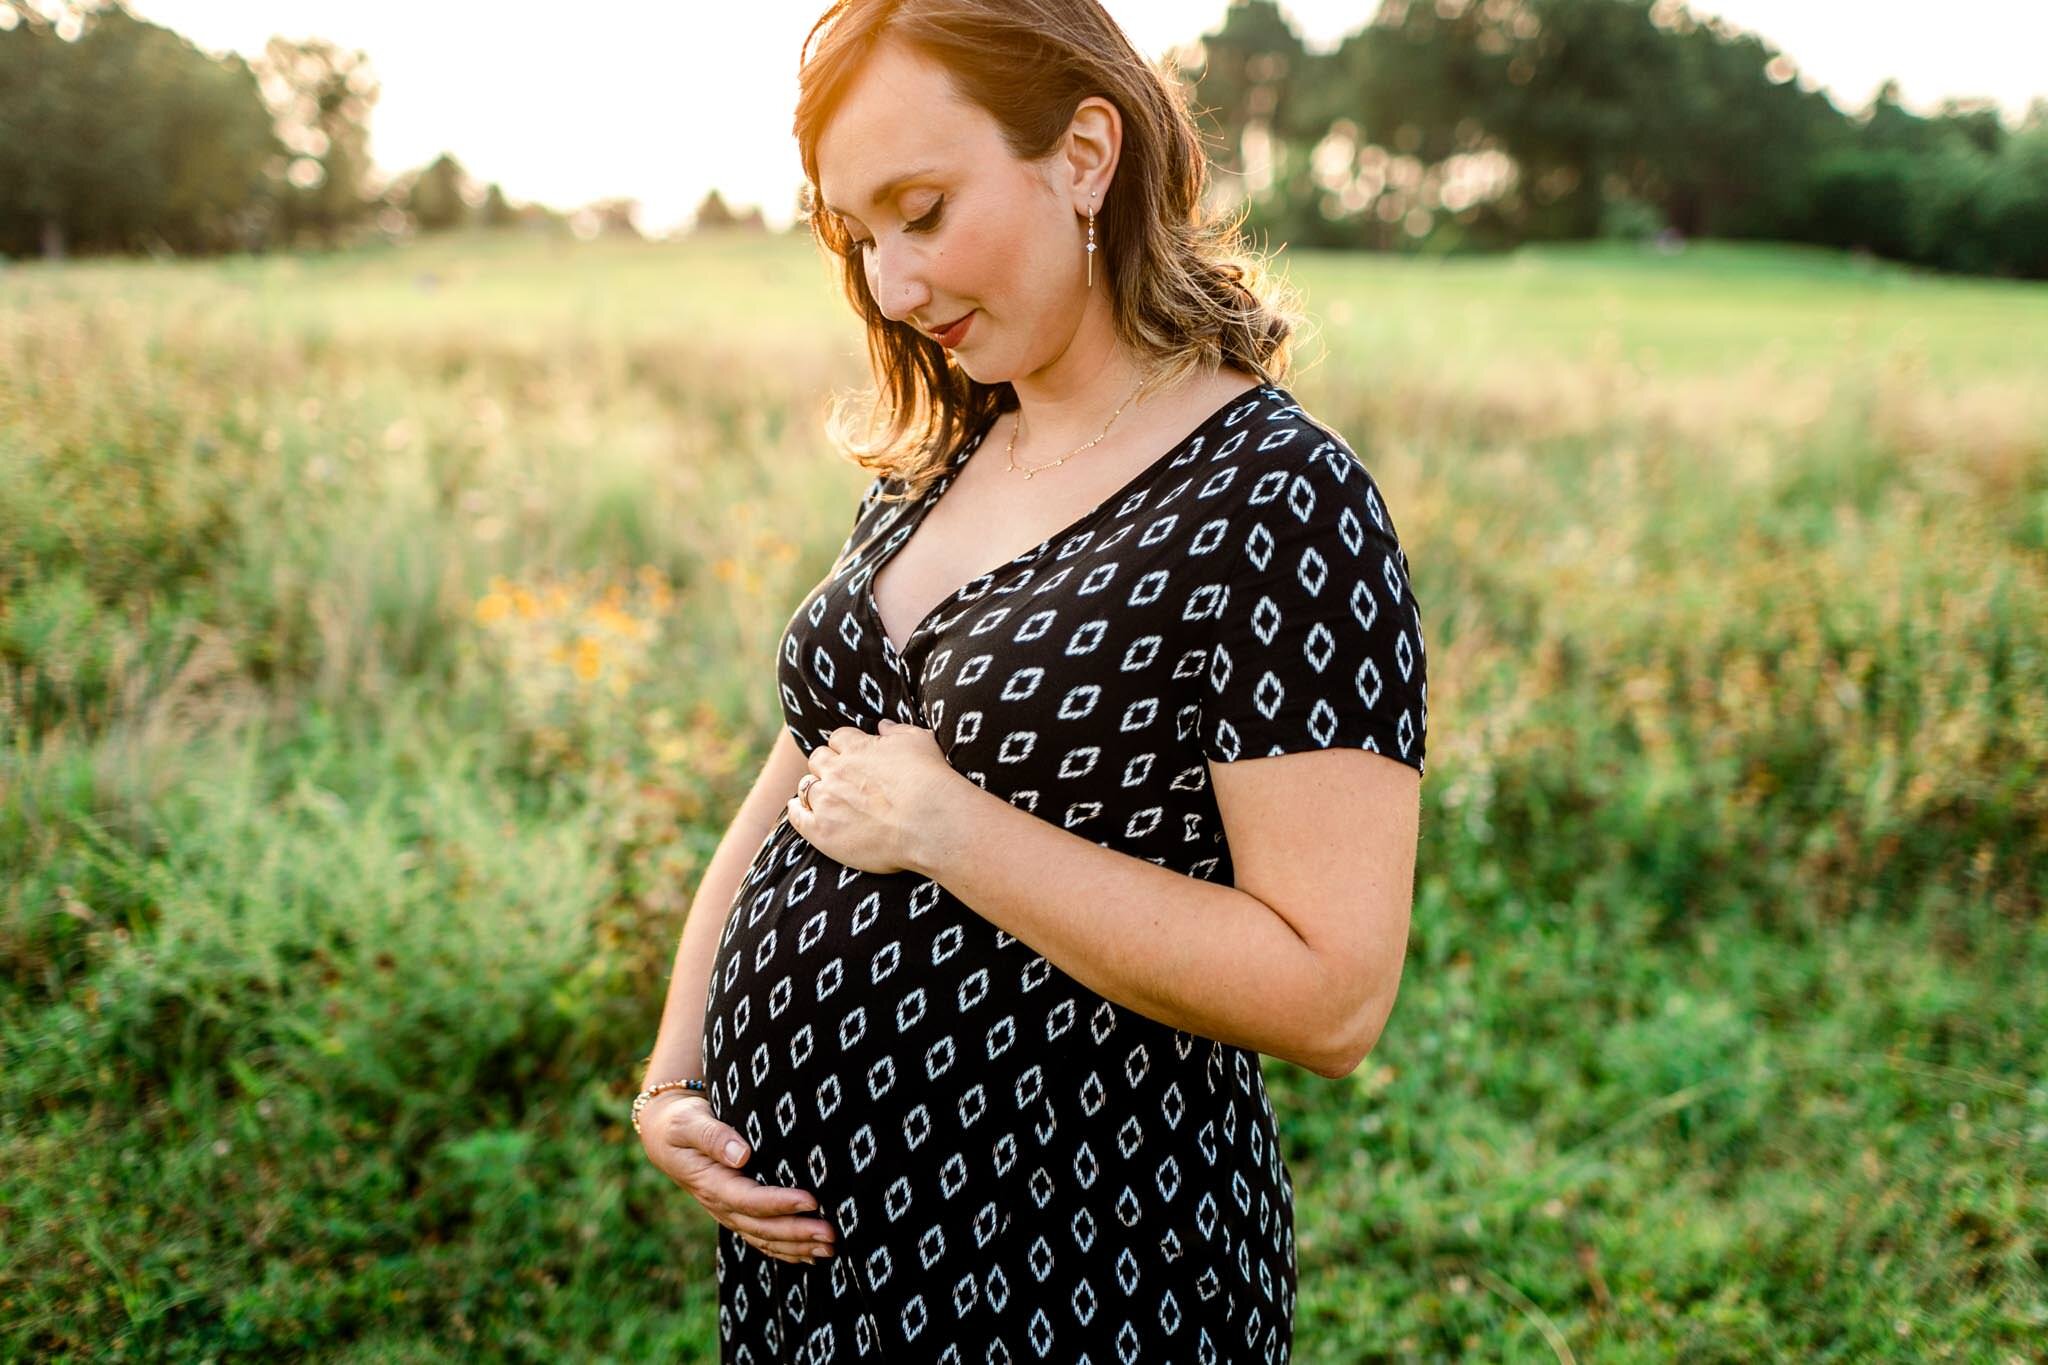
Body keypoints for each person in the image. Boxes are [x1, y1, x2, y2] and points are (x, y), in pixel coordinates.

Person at [635, 2, 1428, 1360]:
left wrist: (952, 829)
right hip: (817, 1271)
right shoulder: (944, 453)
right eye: (859, 236)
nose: (888, 282)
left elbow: (1332, 994)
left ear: (1082, 153)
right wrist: (677, 1070)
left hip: (1070, 1264)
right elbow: (805, 772)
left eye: (923, 209)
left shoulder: (1278, 498)